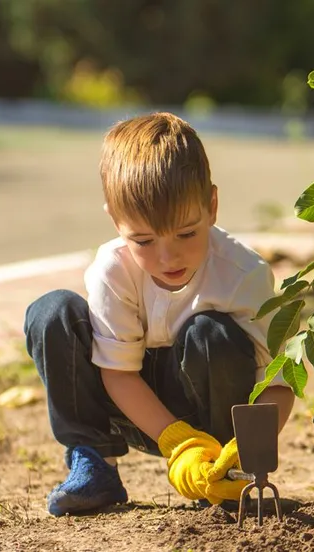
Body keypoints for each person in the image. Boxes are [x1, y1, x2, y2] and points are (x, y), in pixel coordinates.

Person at [24, 112, 294, 516]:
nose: (168, 258)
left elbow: (277, 383)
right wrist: (177, 442)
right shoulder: (112, 269)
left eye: (186, 233)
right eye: (144, 241)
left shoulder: (243, 274)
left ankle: (220, 475)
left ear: (212, 206)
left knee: (211, 333)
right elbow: (119, 373)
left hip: (209, 417)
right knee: (51, 312)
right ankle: (95, 464)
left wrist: (247, 447)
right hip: (128, 407)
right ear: (116, 221)